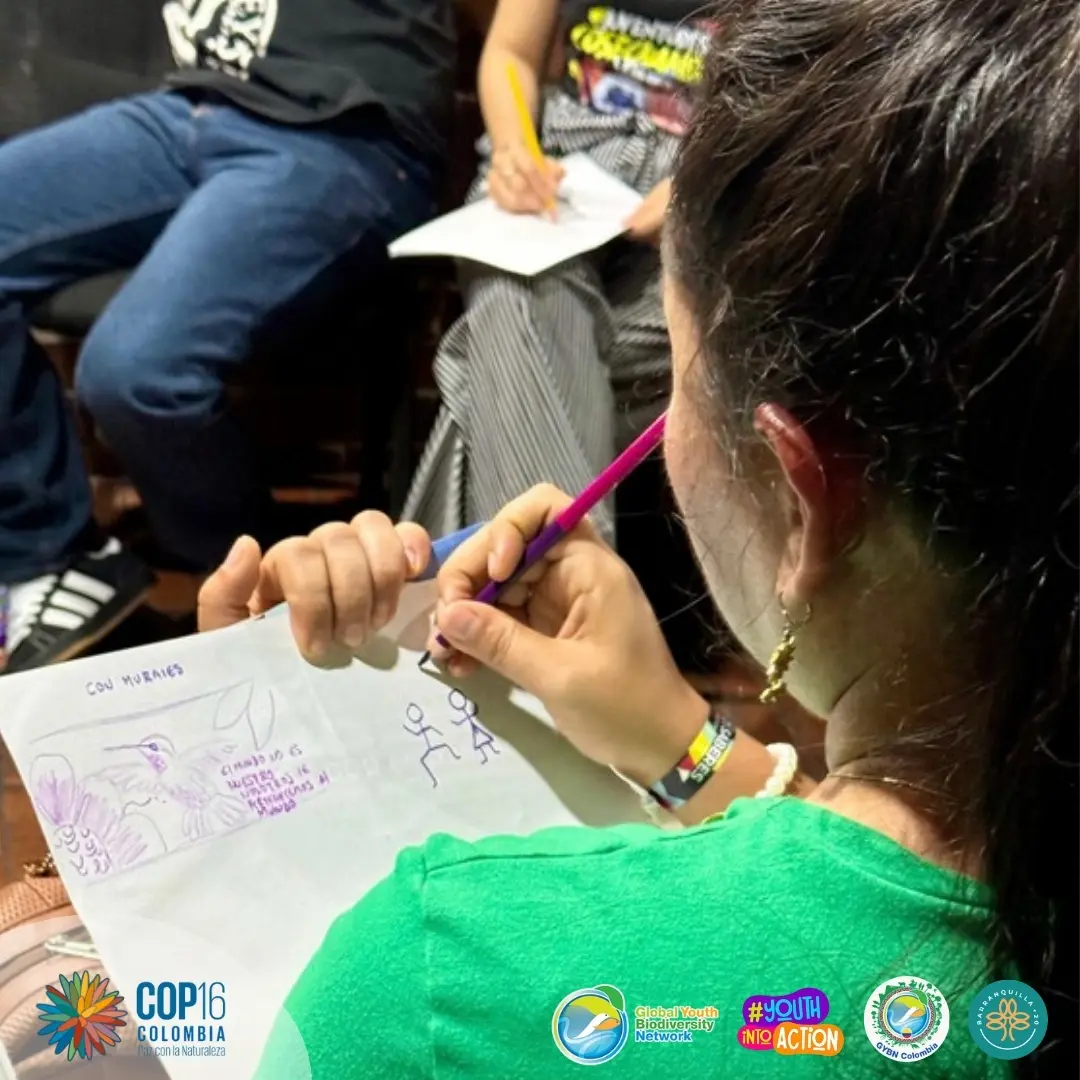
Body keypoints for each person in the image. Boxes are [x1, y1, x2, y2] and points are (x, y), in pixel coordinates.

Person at [198, 0, 1077, 1075]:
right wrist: (678, 740)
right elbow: (897, 889)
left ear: (800, 498)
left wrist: (221, 803)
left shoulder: (432, 969)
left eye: (680, 391)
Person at [0, 1, 454, 675]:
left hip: (345, 127)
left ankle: (262, 600)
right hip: (193, 104)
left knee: (137, 371)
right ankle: (50, 558)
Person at [402, 0, 714, 544]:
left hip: (703, 174)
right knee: (511, 281)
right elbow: (510, 54)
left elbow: (814, 90)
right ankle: (564, 574)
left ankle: (524, 575)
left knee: (492, 361)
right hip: (565, 166)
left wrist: (710, 174)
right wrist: (513, 148)